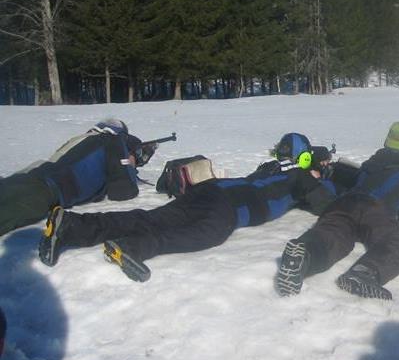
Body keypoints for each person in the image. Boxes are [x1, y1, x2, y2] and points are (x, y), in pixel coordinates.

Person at [38, 133, 332, 283]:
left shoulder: (270, 168)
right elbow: (327, 206)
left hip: (209, 189)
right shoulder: (302, 177)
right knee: (203, 235)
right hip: (228, 207)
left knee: (150, 217)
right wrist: (319, 180)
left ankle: (72, 226)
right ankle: (134, 248)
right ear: (305, 160)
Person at [274, 121, 399, 300]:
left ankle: (305, 255)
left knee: (333, 235)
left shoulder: (370, 164)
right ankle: (365, 272)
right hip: (375, 209)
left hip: (342, 204)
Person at [0, 119, 146, 237]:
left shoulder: (84, 139)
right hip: (41, 191)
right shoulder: (112, 139)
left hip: (27, 179)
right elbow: (123, 191)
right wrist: (130, 164)